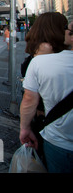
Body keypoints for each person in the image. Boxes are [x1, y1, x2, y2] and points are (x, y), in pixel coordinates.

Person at [19, 16, 72, 173]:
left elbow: (29, 99)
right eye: (65, 28)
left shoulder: (37, 59)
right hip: (51, 128)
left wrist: (24, 128)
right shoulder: (43, 59)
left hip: (53, 132)